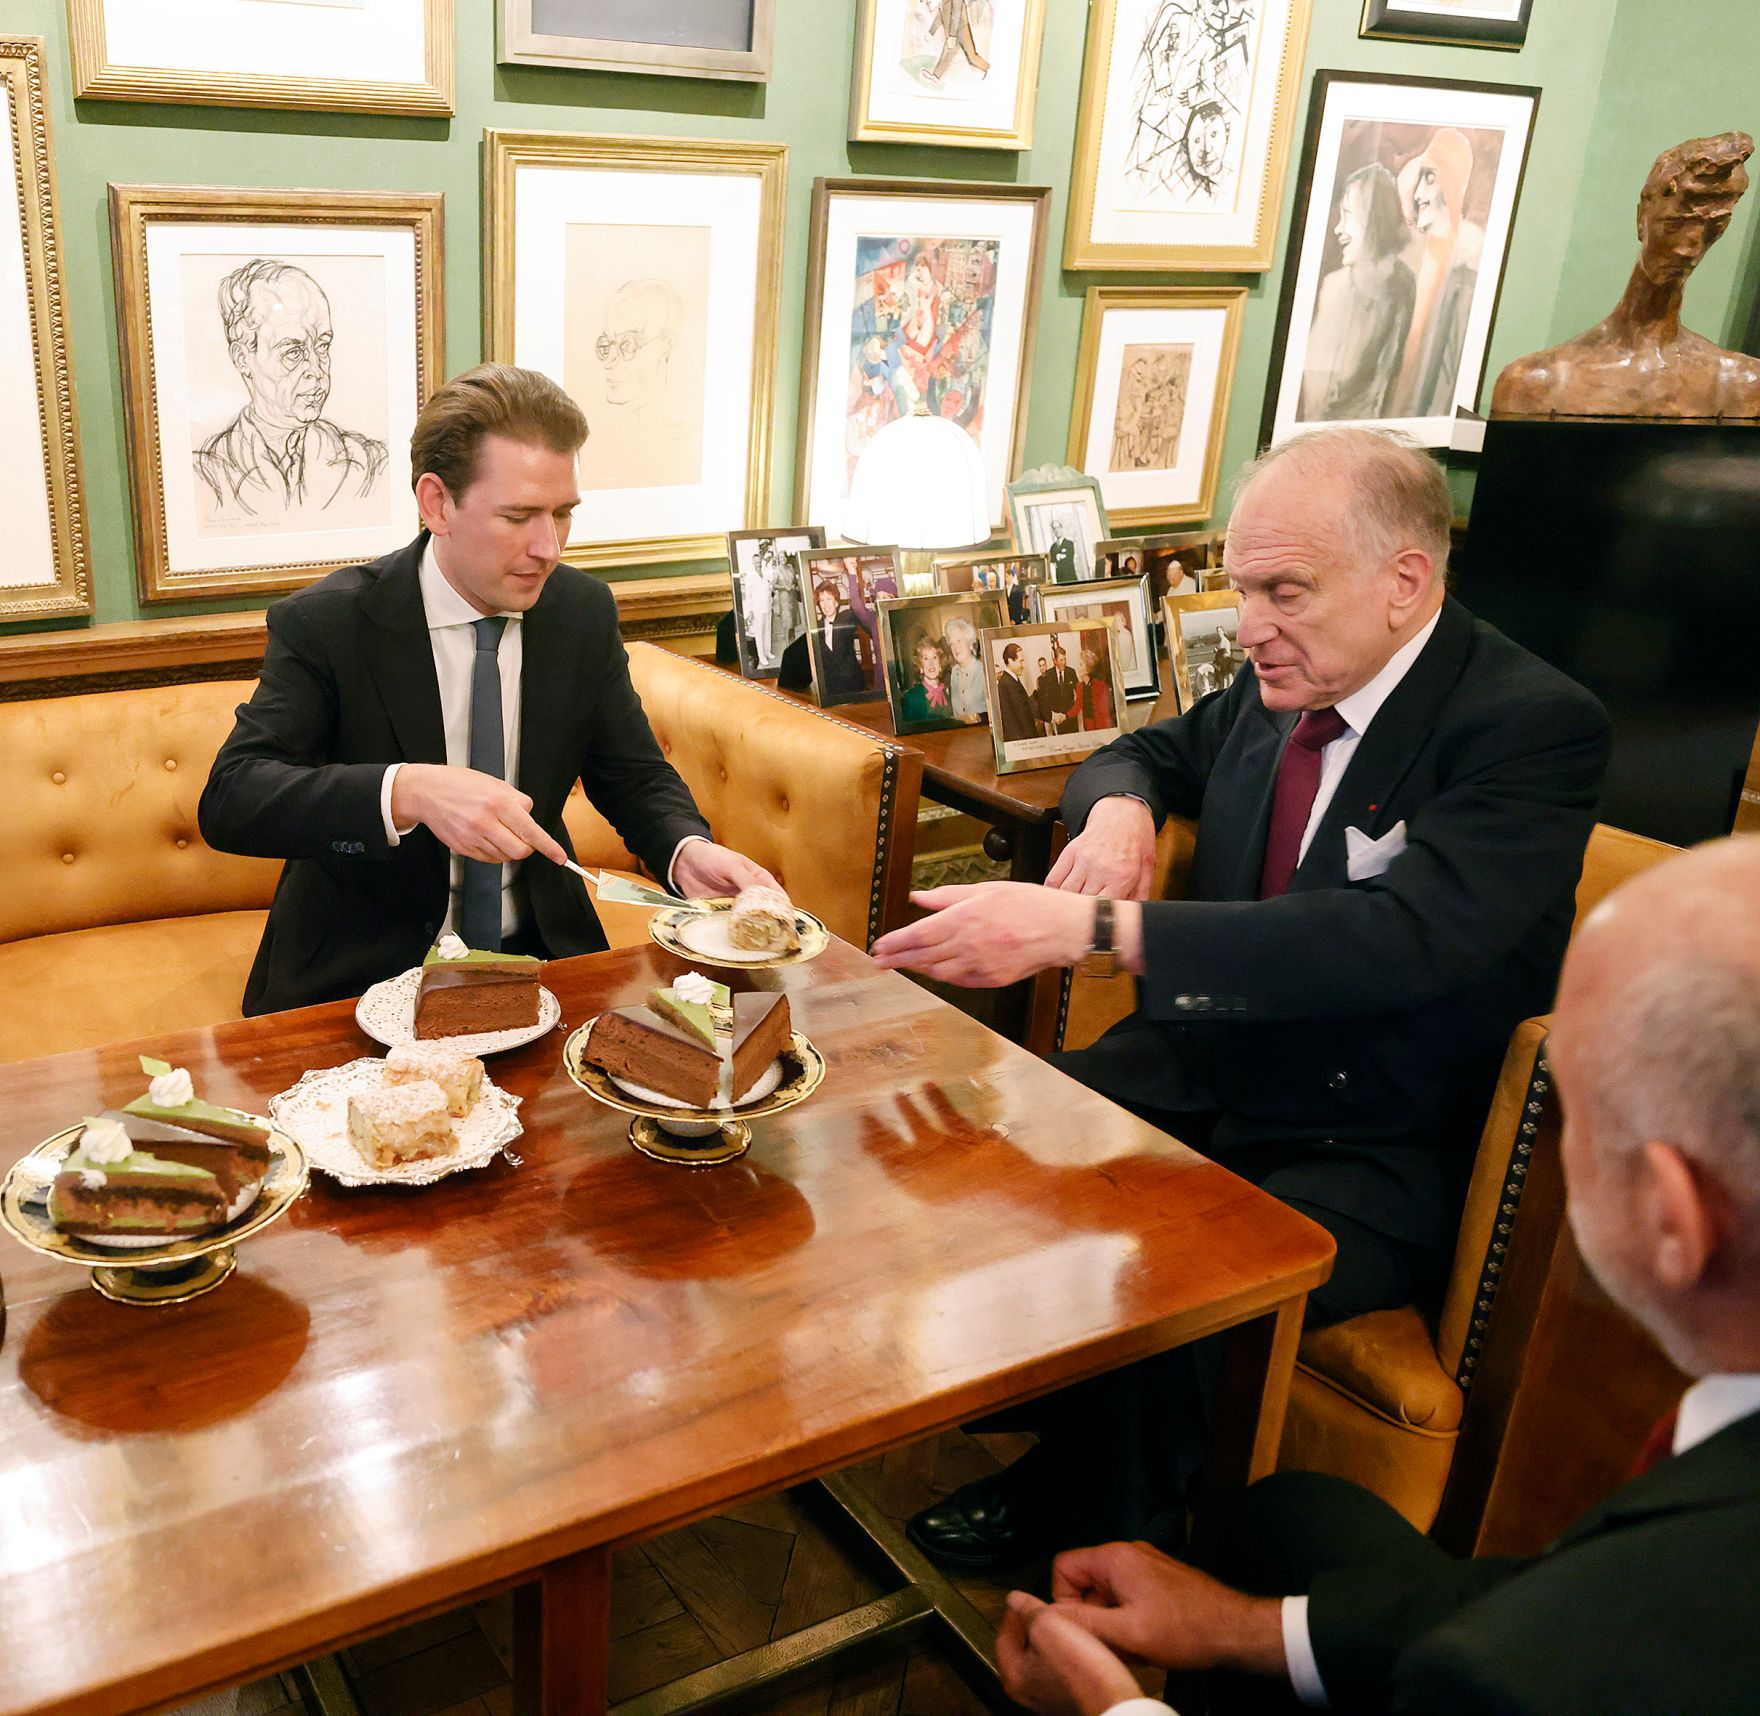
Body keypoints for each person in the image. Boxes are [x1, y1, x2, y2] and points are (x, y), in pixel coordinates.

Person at [871, 426, 1611, 1565]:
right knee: (986, 1149)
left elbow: (1398, 938)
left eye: (1283, 590)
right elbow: (1137, 752)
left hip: (1369, 1130)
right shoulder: (1284, 678)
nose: (1248, 620)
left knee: (1176, 1276)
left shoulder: (1527, 726)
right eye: (1239, 584)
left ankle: (1111, 1560)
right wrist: (1118, 807)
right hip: (1204, 1059)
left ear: (1402, 583)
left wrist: (1094, 927)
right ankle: (1049, 1448)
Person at [996, 834, 1760, 1716]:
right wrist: (1240, 1627)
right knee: (1288, 1523)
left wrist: (1114, 1709)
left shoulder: (1508, 1673)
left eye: (1574, 1118)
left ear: (1672, 1215)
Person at [199, 363, 774, 1015]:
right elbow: (232, 797)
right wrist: (407, 790)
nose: (549, 546)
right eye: (519, 516)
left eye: (562, 514)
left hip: (542, 956)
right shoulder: (329, 623)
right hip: (363, 971)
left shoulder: (581, 613)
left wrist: (684, 849)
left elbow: (633, 775)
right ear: (437, 503)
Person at [1493, 130, 1760, 419]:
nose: (1690, 248)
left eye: (1712, 229)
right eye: (1674, 225)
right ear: (1641, 218)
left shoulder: (1740, 383)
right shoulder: (1537, 382)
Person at [194, 259, 387, 520]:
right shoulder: (206, 474)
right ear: (242, 357)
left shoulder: (369, 463)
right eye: (293, 352)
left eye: (322, 346)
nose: (316, 370)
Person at [1297, 163, 1416, 423]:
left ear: (1373, 217)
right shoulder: (1335, 288)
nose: (1338, 228)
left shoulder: (1404, 286)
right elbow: (1317, 395)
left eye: (1348, 215)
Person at [1391, 128, 1484, 420]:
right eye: (1419, 180)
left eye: (1430, 177)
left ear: (1451, 181)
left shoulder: (1471, 257)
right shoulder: (1412, 257)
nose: (1419, 194)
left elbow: (1451, 365)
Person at [811, 578, 867, 697]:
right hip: (829, 688)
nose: (825, 604)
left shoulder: (846, 618)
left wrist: (854, 577)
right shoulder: (816, 627)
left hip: (852, 683)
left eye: (829, 599)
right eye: (822, 600)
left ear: (836, 602)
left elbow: (857, 605)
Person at [900, 635, 953, 725]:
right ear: (920, 666)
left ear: (940, 664)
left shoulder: (947, 693)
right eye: (926, 658)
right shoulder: (911, 698)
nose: (931, 663)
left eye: (934, 657)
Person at [994, 642, 1039, 744]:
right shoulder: (1007, 683)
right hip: (1021, 742)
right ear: (1010, 661)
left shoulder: (1012, 680)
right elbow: (1021, 713)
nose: (1023, 665)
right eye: (1021, 661)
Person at [945, 616, 987, 723]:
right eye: (952, 643)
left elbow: (996, 711)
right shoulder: (954, 673)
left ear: (970, 644)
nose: (955, 647)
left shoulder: (983, 670)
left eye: (959, 640)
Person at [1035, 642, 1081, 738]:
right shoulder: (1049, 674)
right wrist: (1054, 714)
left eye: (1065, 659)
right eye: (1061, 660)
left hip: (1071, 717)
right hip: (1058, 719)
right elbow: (1046, 698)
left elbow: (1078, 692)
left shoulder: (1071, 672)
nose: (1064, 662)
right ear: (1055, 660)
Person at [1075, 647, 1113, 731]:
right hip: (1088, 725)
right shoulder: (1079, 686)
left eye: (1080, 664)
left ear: (1087, 669)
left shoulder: (1100, 685)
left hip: (1101, 725)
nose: (1078, 667)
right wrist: (1064, 715)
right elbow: (1077, 706)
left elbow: (1105, 712)